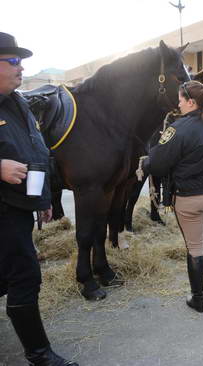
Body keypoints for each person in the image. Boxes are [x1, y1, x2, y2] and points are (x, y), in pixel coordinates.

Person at [0, 32, 78, 366]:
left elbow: (37, 151)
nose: (21, 68)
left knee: (11, 275)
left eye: (22, 62)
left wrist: (44, 200)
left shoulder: (17, 101)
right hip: (3, 209)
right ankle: (39, 354)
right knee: (25, 275)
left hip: (19, 208)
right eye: (14, 61)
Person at [142, 80, 203, 313]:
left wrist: (147, 162)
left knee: (195, 247)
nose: (178, 104)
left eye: (180, 99)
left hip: (189, 196)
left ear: (191, 102)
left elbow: (158, 163)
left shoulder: (177, 129)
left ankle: (198, 299)